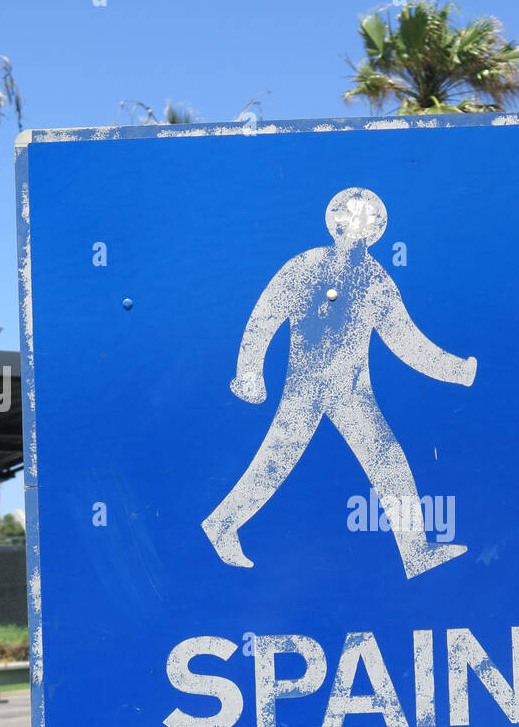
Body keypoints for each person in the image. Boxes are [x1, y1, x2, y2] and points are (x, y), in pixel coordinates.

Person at [202, 187, 477, 579]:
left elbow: (407, 341)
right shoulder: (306, 265)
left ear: (378, 228)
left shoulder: (375, 280)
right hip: (306, 389)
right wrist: (249, 372)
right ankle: (221, 525)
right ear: (337, 221)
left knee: (391, 464)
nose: (362, 224)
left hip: (352, 393)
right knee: (273, 464)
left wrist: (458, 371)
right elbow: (265, 315)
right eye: (353, 216)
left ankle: (416, 552)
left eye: (372, 218)